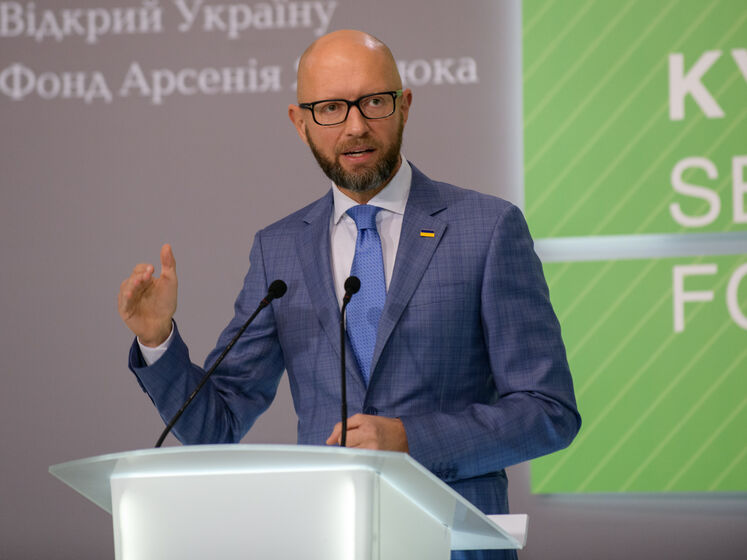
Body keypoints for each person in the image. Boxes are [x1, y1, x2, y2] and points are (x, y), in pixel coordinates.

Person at [118, 30, 580, 560]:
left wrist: (412, 441)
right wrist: (157, 341)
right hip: (326, 541)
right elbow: (215, 426)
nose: (356, 126)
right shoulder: (279, 249)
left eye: (374, 102)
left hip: (455, 545)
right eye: (331, 108)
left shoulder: (487, 228)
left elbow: (549, 412)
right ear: (300, 123)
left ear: (404, 106)